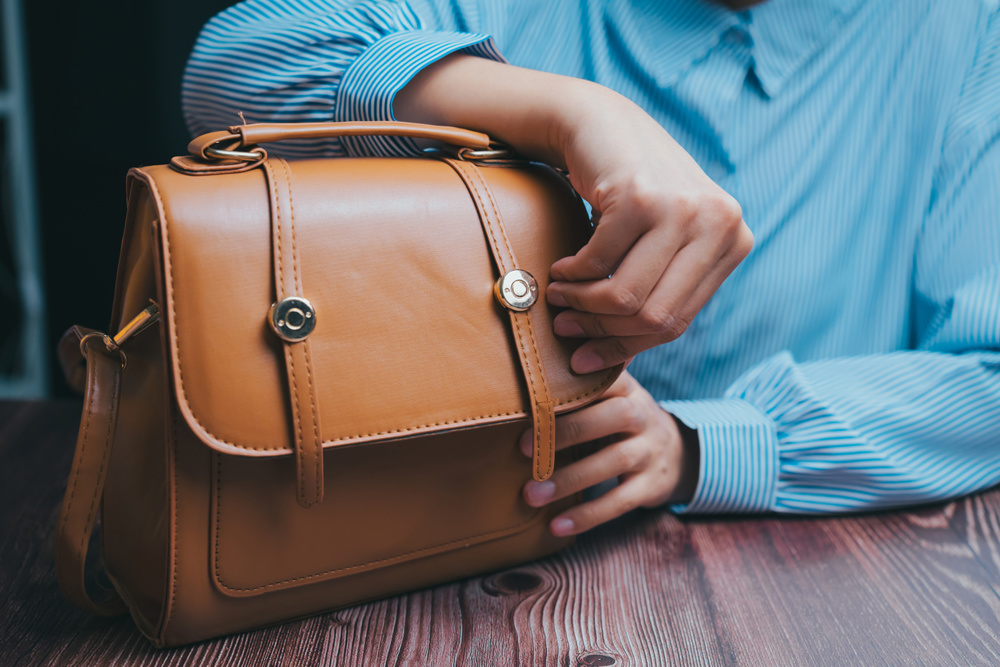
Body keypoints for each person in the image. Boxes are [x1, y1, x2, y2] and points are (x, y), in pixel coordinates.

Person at [182, 0, 1000, 536]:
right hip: (418, 540)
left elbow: (989, 371)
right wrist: (565, 110)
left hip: (811, 564)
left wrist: (702, 443)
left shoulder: (967, 31)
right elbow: (233, 67)